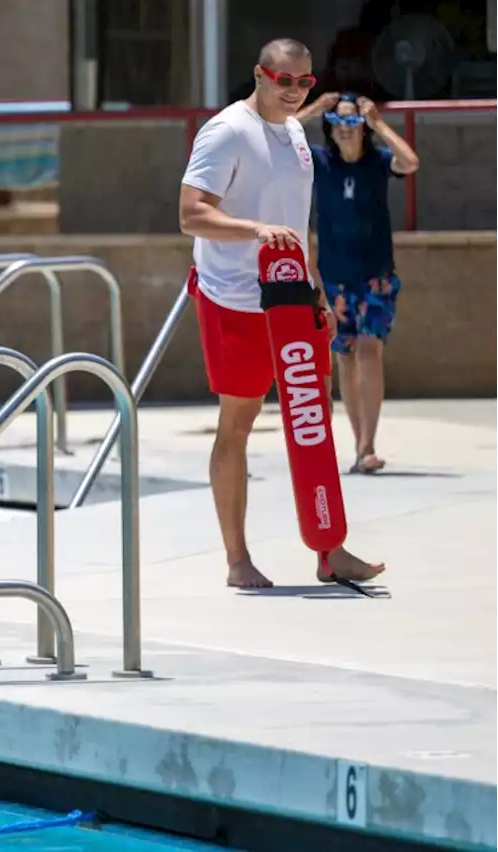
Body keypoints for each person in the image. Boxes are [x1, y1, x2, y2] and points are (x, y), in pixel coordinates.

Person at [178, 37, 386, 590]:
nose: (294, 91)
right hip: (234, 297)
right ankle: (237, 560)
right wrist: (254, 231)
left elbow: (296, 221)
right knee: (238, 424)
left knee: (311, 423)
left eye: (304, 83)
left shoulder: (295, 132)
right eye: (284, 79)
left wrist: (318, 291)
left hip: (293, 301)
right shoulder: (226, 132)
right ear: (260, 74)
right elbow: (191, 215)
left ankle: (329, 549)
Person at [296, 91, 420, 474]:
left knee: (369, 350)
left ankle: (368, 445)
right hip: (335, 279)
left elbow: (411, 162)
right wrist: (316, 108)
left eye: (352, 122)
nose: (345, 131)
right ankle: (358, 443)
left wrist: (378, 122)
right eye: (338, 122)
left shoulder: (377, 162)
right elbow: (279, 135)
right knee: (345, 357)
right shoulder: (319, 161)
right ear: (329, 128)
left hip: (375, 276)